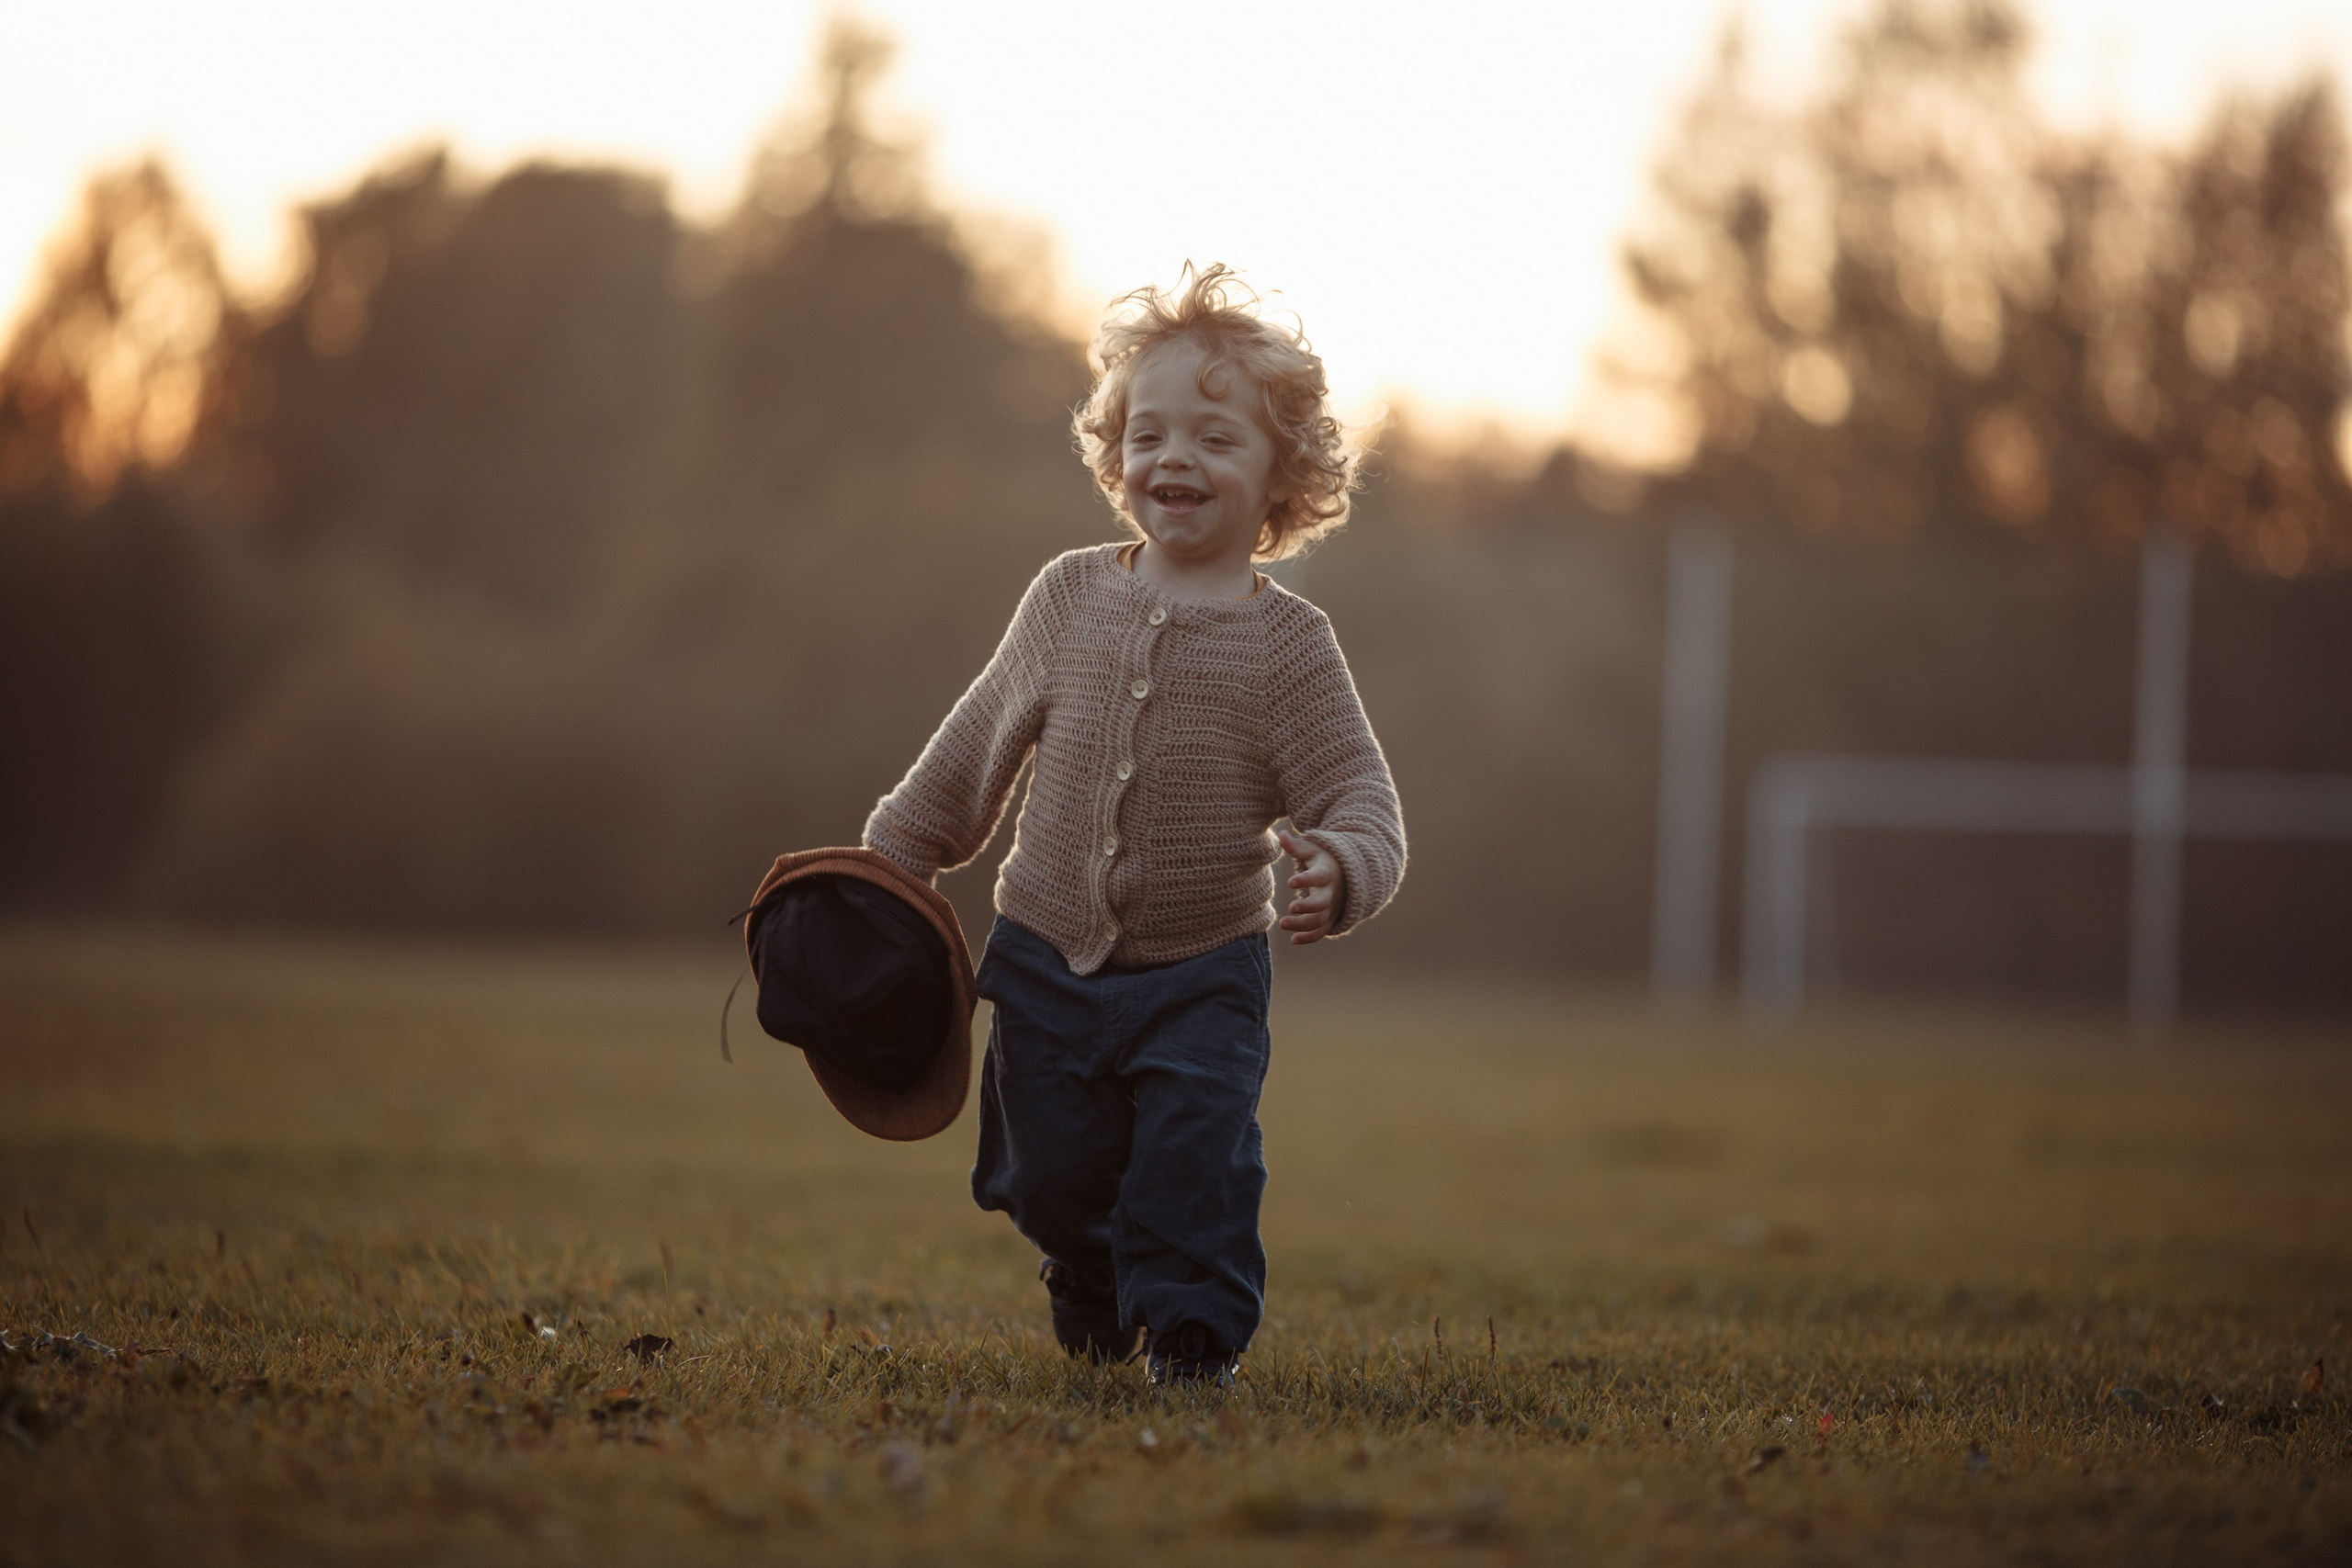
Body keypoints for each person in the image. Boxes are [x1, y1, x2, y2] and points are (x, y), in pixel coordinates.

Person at [862, 264, 1406, 1385]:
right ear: (1116, 454)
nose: (1175, 461)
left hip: (1202, 974)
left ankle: (1196, 1341)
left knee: (1191, 1165)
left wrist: (1344, 868)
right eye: (1149, 434)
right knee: (1054, 1173)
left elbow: (1363, 799)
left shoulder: (1288, 647)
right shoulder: (1067, 596)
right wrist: (890, 858)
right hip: (1044, 957)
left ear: (1280, 480)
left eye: (1215, 440)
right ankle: (1088, 1269)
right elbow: (973, 749)